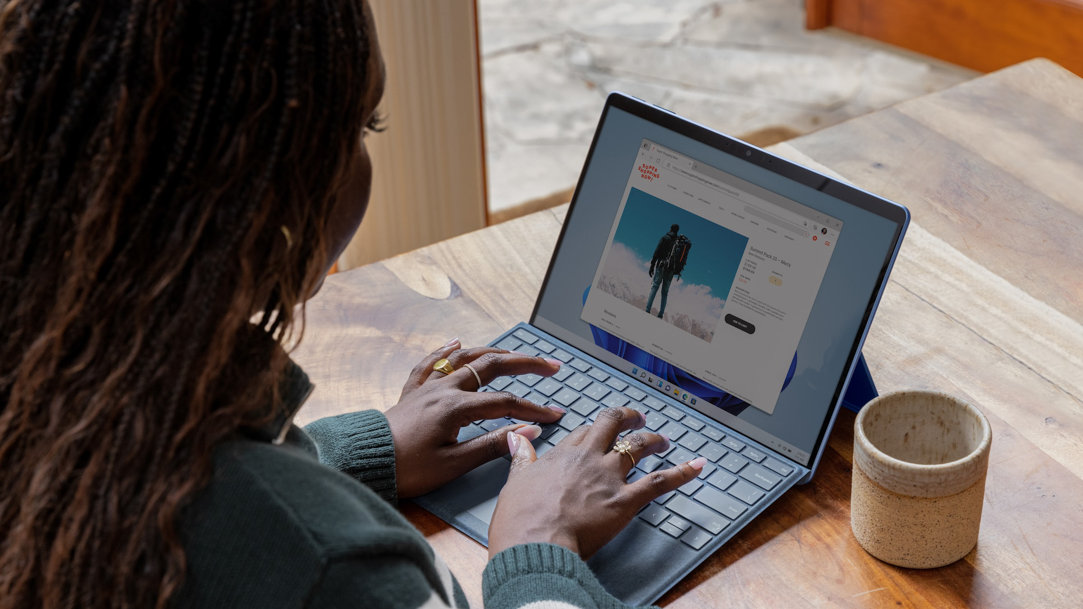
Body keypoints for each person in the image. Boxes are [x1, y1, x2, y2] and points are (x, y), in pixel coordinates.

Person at [0, 2, 706, 608]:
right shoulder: (339, 571)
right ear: (274, 186)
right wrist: (538, 542)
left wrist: (343, 454)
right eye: (364, 127)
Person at [645, 224, 688, 318]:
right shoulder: (679, 243)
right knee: (665, 292)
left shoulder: (665, 238)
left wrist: (652, 265)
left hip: (661, 266)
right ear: (677, 231)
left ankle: (647, 310)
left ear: (670, 229)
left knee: (655, 287)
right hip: (671, 270)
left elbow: (656, 252)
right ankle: (660, 314)